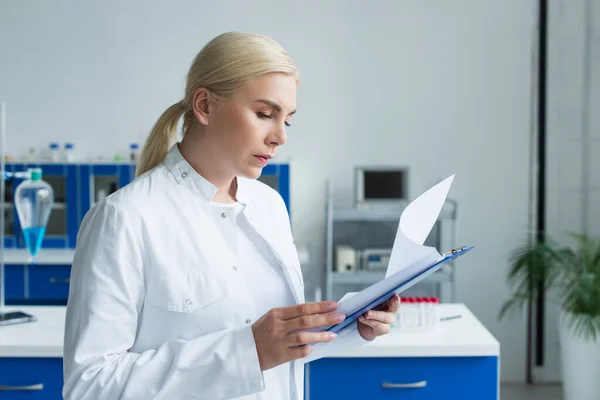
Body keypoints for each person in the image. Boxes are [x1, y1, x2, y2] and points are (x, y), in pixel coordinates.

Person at [62, 31, 400, 400]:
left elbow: (279, 353)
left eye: (286, 120)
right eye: (264, 114)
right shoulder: (125, 218)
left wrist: (354, 326)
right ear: (205, 105)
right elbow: (89, 385)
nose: (279, 137)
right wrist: (245, 352)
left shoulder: (270, 206)